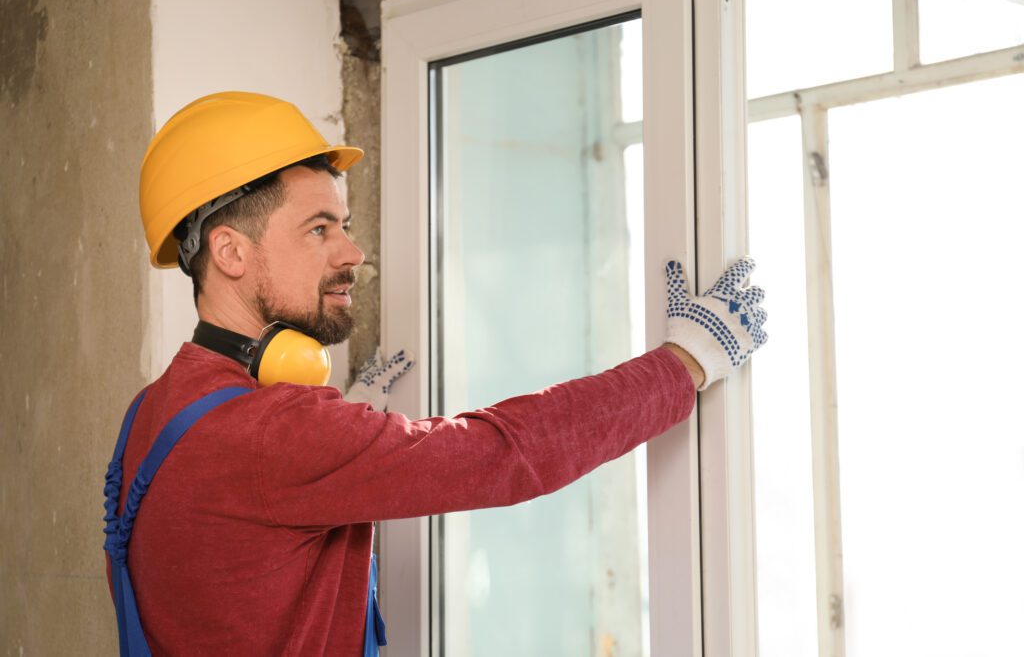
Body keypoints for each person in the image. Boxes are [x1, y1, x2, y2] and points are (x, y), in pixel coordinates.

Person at [102, 91, 767, 656]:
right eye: (319, 229)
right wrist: (684, 364)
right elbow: (504, 451)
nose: (352, 251)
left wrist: (340, 457)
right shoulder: (273, 435)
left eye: (347, 225)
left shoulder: (152, 414)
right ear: (230, 252)